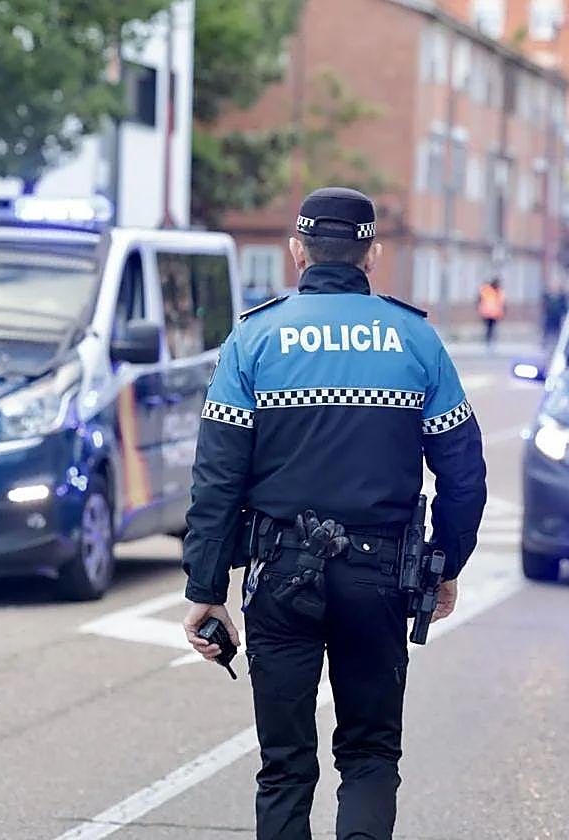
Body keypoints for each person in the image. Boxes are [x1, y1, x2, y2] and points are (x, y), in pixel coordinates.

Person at [181, 187, 488, 840]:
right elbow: (465, 472)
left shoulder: (253, 339)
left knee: (286, 765)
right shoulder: (417, 339)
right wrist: (445, 564)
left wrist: (206, 588)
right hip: (379, 578)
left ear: (297, 251)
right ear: (371, 255)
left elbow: (215, 478)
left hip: (279, 577)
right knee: (370, 756)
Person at [478, 278, 505, 347]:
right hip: (486, 313)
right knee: (488, 328)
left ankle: (490, 341)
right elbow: (479, 299)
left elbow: (502, 303)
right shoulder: (486, 289)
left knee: (492, 328)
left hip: (495, 314)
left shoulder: (499, 291)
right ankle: (488, 341)